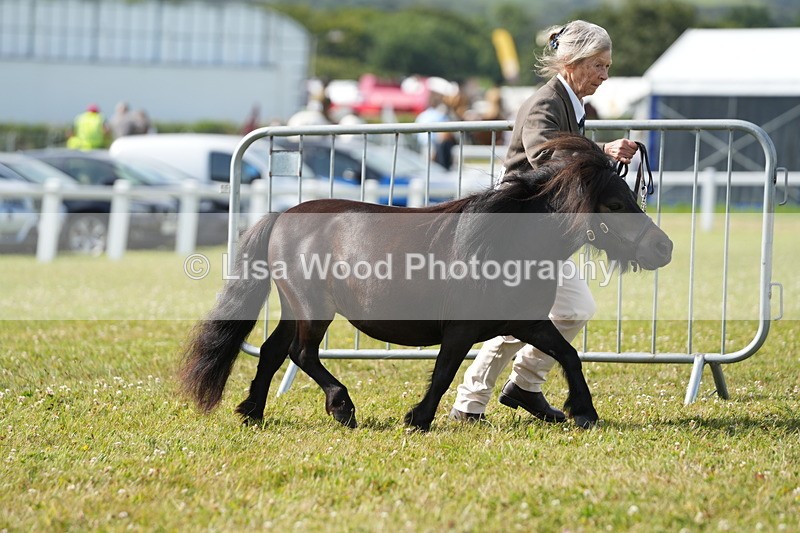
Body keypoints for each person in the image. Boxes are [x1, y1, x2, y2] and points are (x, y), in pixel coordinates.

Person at [449, 20, 639, 423]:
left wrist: (601, 150)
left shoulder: (569, 102)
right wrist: (601, 156)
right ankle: (485, 398)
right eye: (599, 66)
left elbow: (562, 152)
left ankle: (517, 388)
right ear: (572, 61)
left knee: (559, 309)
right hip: (519, 231)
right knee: (534, 312)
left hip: (539, 232)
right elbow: (544, 159)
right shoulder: (545, 102)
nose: (605, 76)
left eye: (607, 67)